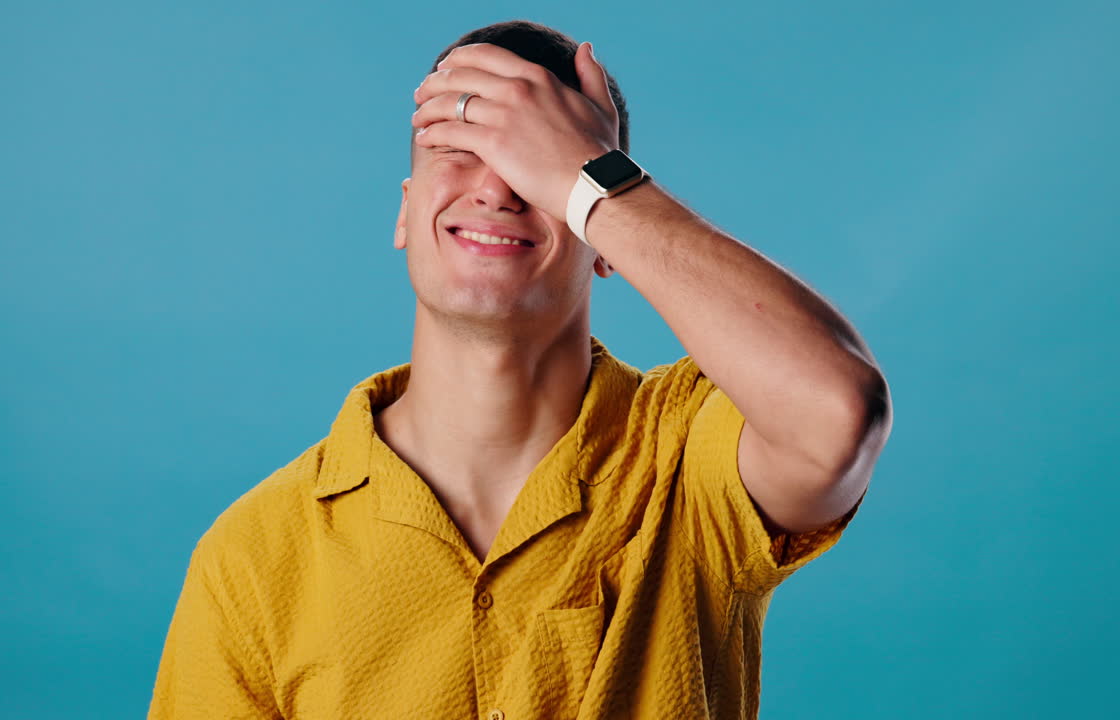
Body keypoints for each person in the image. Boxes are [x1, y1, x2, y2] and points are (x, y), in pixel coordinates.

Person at [148, 19, 891, 720]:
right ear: (406, 212)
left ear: (607, 240)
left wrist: (597, 178)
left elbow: (837, 414)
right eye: (458, 149)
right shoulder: (255, 553)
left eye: (537, 165)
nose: (498, 188)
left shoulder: (692, 452)